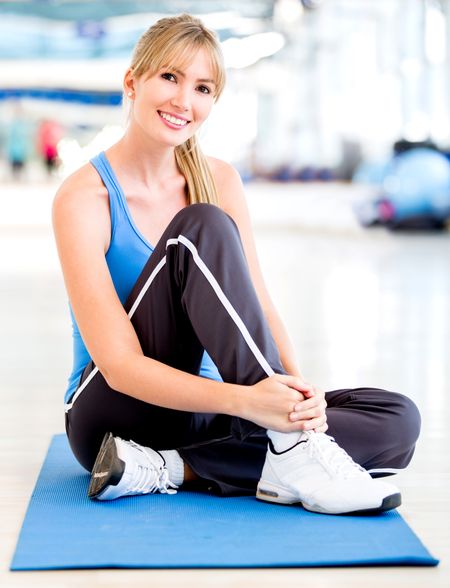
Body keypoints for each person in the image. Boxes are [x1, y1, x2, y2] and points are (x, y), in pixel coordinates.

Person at [52, 14, 421, 515]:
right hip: (116, 413)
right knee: (197, 228)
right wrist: (250, 405)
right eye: (169, 77)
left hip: (211, 412)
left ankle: (171, 467)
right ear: (132, 82)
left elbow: (260, 303)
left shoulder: (221, 179)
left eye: (203, 88)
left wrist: (297, 401)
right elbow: (119, 367)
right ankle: (283, 451)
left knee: (396, 418)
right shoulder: (84, 197)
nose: (185, 101)